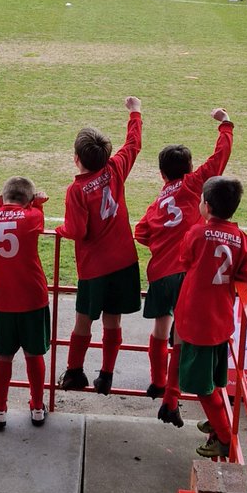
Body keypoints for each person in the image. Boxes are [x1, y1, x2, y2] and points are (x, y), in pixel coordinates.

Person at [135, 109, 234, 426]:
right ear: (190, 168)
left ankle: (156, 381)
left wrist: (158, 245)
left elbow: (140, 231)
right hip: (186, 274)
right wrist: (225, 124)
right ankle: (171, 398)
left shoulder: (157, 201)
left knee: (159, 329)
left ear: (162, 174)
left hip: (159, 275)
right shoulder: (194, 184)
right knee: (180, 337)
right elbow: (220, 160)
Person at [57, 97, 143, 394]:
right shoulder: (116, 168)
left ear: (76, 158)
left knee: (83, 320)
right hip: (124, 260)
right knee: (113, 319)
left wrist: (60, 229)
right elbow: (133, 146)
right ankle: (106, 375)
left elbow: (78, 231)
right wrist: (135, 113)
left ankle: (74, 371)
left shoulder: (76, 190)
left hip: (94, 267)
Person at [174, 177, 247, 459]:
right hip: (221, 321)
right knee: (214, 377)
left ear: (206, 206)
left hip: (196, 324)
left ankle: (223, 437)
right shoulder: (244, 240)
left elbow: (184, 260)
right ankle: (217, 420)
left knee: (201, 386)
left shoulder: (196, 234)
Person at [0, 177, 50, 430]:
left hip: (1, 298)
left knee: (3, 355)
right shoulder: (33, 216)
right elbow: (30, 220)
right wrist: (38, 205)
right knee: (34, 353)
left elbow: (4, 218)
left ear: (4, 196)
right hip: (32, 296)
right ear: (29, 201)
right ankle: (38, 408)